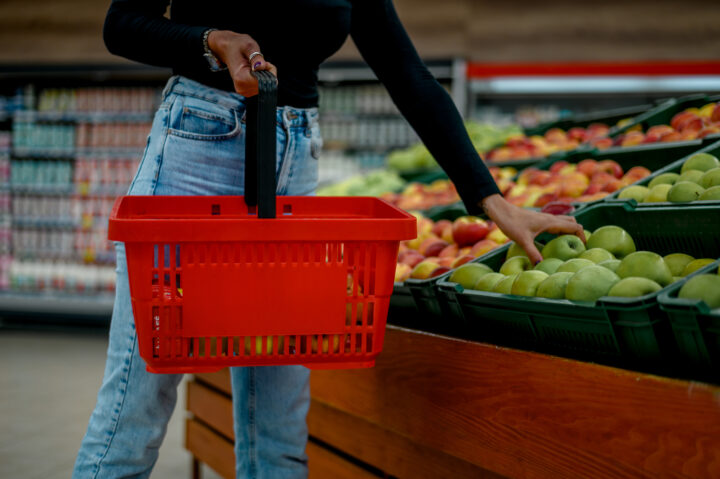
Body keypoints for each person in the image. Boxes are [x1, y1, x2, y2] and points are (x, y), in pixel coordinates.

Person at [73, 1, 584, 477]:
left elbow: (407, 73)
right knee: (135, 412)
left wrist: (490, 200)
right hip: (201, 148)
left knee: (281, 431)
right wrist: (212, 41)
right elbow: (122, 24)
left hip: (295, 157)